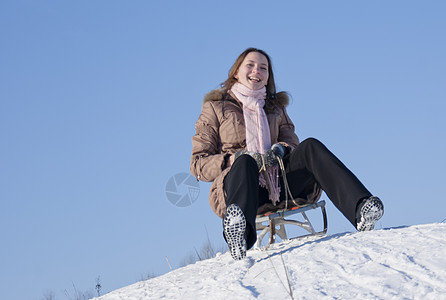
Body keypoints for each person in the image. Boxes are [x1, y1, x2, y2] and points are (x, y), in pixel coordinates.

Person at [190, 48, 384, 260]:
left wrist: (280, 149)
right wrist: (232, 159)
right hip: (242, 188)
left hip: (281, 184)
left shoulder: (275, 108)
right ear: (236, 72)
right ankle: (240, 237)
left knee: (310, 146)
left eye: (263, 68)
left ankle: (361, 209)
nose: (257, 71)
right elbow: (198, 164)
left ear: (268, 77)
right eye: (251, 65)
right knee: (245, 161)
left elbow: (291, 140)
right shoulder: (216, 109)